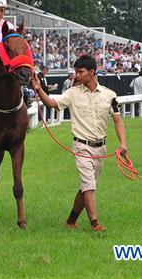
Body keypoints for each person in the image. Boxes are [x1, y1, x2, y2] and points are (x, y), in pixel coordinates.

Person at [32, 55, 128, 232]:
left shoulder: (110, 95)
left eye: (80, 72)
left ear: (92, 72)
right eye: (76, 72)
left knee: (86, 186)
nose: (76, 75)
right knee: (89, 184)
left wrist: (123, 144)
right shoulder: (72, 93)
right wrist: (39, 90)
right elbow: (52, 103)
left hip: (101, 147)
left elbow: (117, 120)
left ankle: (71, 221)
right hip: (81, 146)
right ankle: (95, 223)